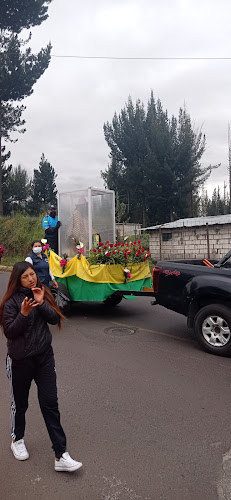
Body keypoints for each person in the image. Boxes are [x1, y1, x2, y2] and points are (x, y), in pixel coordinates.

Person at [0, 261, 83, 472]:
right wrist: (24, 313)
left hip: (44, 358)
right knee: (20, 404)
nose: (31, 279)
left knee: (50, 403)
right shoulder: (11, 302)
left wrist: (41, 302)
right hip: (20, 361)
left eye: (33, 275)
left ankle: (60, 454)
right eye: (26, 276)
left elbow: (55, 319)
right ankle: (17, 439)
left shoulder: (42, 291)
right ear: (17, 280)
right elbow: (10, 332)